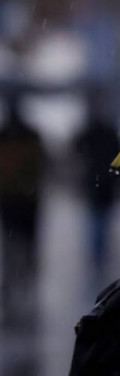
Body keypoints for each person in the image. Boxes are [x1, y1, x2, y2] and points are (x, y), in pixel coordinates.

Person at [0, 90, 46, 328]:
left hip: (14, 202)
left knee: (14, 248)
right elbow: (42, 166)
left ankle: (15, 285)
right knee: (24, 248)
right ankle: (21, 283)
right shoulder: (30, 135)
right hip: (25, 202)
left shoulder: (6, 135)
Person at [72, 89, 120, 289]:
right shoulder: (105, 132)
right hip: (103, 186)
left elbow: (77, 148)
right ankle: (98, 255)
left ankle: (97, 255)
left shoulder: (94, 131)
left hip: (98, 185)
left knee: (97, 221)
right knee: (99, 222)